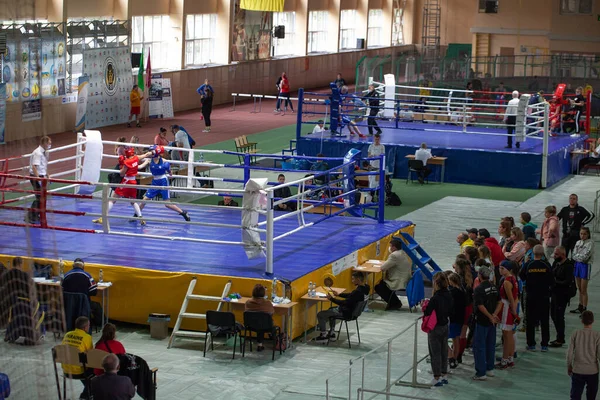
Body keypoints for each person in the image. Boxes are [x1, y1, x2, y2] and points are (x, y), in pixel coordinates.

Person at [92, 147, 155, 225]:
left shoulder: (127, 162)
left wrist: (122, 166)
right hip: (133, 182)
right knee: (133, 201)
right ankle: (141, 218)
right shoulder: (136, 158)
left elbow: (122, 174)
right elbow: (146, 155)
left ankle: (102, 218)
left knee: (112, 199)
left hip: (126, 181)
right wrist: (153, 152)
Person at [137, 148, 191, 223]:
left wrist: (169, 171)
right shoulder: (149, 160)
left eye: (152, 152)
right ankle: (137, 215)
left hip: (163, 181)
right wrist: (132, 166)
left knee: (167, 204)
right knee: (144, 200)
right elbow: (140, 167)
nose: (150, 153)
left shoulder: (164, 161)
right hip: (155, 182)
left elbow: (170, 173)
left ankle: (183, 213)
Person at [315, 271, 369, 343]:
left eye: (353, 279)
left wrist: (331, 299)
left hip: (346, 313)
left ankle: (323, 335)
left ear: (358, 279)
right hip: (354, 312)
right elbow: (351, 295)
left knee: (320, 314)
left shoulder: (357, 292)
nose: (352, 281)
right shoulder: (366, 288)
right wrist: (339, 294)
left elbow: (344, 303)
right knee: (331, 309)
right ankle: (331, 333)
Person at [519, 244, 554, 352]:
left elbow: (521, 275)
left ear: (533, 253)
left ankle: (531, 344)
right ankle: (544, 344)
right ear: (543, 253)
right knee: (544, 321)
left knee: (530, 321)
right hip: (544, 296)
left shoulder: (529, 264)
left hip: (531, 296)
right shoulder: (547, 265)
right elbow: (552, 280)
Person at [424, 272, 453, 387]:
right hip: (445, 325)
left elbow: (427, 312)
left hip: (435, 327)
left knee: (435, 352)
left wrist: (425, 305)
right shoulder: (449, 294)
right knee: (444, 350)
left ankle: (437, 377)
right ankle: (444, 374)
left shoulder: (435, 298)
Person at [472, 265, 501, 381]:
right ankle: (490, 369)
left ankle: (481, 373)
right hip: (492, 322)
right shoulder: (494, 287)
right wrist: (494, 315)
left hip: (482, 321)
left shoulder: (478, 289)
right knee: (490, 345)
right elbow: (500, 302)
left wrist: (490, 316)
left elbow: (480, 306)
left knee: (479, 346)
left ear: (479, 275)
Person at [567, 310, 600, 400]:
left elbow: (570, 352)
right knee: (591, 397)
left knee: (575, 396)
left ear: (582, 321)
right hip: (593, 371)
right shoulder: (597, 335)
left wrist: (569, 365)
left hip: (578, 370)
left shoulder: (576, 333)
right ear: (593, 321)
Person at [374, 239, 412, 310]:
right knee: (382, 283)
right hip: (405, 278)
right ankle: (395, 302)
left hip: (398, 280)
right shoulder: (402, 252)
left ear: (394, 247)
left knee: (379, 287)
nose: (389, 248)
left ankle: (394, 303)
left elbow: (383, 268)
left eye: (390, 246)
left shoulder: (394, 255)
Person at [62, 316, 94, 399]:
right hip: (79, 371)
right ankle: (85, 395)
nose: (89, 327)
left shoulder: (67, 335)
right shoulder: (87, 337)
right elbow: (90, 355)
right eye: (89, 325)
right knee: (95, 376)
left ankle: (88, 391)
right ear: (85, 327)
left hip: (66, 369)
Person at [549, 246, 575, 348]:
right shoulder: (556, 263)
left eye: (556, 254)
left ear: (563, 255)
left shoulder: (568, 266)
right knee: (553, 314)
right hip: (555, 293)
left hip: (563, 294)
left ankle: (560, 338)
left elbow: (567, 281)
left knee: (559, 316)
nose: (554, 256)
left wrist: (555, 282)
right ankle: (559, 336)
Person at [495, 260, 519, 369]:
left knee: (506, 336)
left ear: (508, 270)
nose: (500, 270)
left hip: (506, 309)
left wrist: (514, 313)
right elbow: (516, 298)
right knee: (509, 336)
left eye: (502, 268)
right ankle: (510, 358)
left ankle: (504, 360)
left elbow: (510, 298)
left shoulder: (506, 282)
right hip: (509, 309)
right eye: (500, 268)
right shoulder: (513, 279)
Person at [26, 136, 52, 224]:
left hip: (42, 176)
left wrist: (47, 175)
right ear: (44, 143)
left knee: (42, 197)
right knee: (39, 197)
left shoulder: (45, 153)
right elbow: (34, 166)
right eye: (49, 143)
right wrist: (38, 178)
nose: (50, 145)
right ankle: (30, 215)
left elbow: (44, 165)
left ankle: (35, 214)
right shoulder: (38, 153)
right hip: (36, 177)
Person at [454, 257, 473, 363]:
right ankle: (459, 354)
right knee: (463, 333)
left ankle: (457, 355)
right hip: (469, 307)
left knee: (458, 334)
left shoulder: (459, 280)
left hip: (461, 308)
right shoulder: (470, 277)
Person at [572, 227, 594, 316]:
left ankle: (585, 309)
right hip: (577, 265)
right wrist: (578, 257)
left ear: (588, 234)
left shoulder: (590, 243)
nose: (582, 235)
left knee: (584, 289)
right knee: (579, 288)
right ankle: (580, 306)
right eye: (581, 233)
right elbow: (573, 254)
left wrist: (578, 256)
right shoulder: (578, 242)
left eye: (584, 234)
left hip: (585, 266)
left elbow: (586, 256)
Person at [245, 284, 275, 351]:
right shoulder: (267, 303)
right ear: (264, 293)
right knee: (262, 322)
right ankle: (274, 341)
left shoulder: (248, 302)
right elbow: (272, 312)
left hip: (251, 325)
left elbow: (246, 311)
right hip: (266, 325)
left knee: (258, 321)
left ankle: (260, 344)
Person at [447, 272, 466, 369]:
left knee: (443, 339)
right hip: (460, 318)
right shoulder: (462, 291)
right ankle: (455, 358)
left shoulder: (452, 292)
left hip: (453, 319)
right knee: (456, 339)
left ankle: (451, 358)